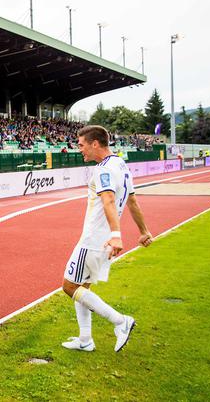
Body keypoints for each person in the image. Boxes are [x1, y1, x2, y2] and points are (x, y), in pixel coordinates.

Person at [61, 125, 153, 353]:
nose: (79, 149)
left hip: (94, 240)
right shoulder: (120, 165)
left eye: (81, 145)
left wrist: (115, 235)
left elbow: (109, 200)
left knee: (69, 286)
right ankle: (85, 340)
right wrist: (144, 231)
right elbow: (132, 201)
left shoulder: (102, 170)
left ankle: (121, 321)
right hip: (102, 241)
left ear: (95, 143)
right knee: (83, 286)